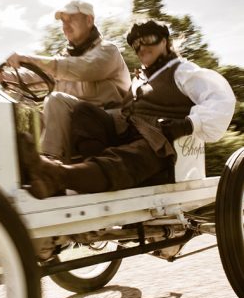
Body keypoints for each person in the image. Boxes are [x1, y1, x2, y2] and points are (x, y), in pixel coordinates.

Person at [19, 19, 236, 199]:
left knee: (127, 156)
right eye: (136, 44)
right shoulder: (140, 79)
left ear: (166, 42)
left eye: (148, 39)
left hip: (160, 142)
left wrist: (187, 125)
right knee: (85, 112)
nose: (142, 47)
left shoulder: (182, 71)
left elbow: (221, 100)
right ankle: (83, 177)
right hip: (128, 134)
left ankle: (58, 175)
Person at [0, 0, 131, 162]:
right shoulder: (65, 57)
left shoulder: (108, 51)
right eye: (63, 21)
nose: (66, 25)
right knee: (32, 118)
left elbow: (81, 68)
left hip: (108, 123)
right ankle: (23, 167)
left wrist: (27, 58)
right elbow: (38, 77)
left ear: (89, 20)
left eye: (71, 19)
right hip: (77, 123)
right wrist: (4, 77)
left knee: (56, 100)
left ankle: (50, 166)